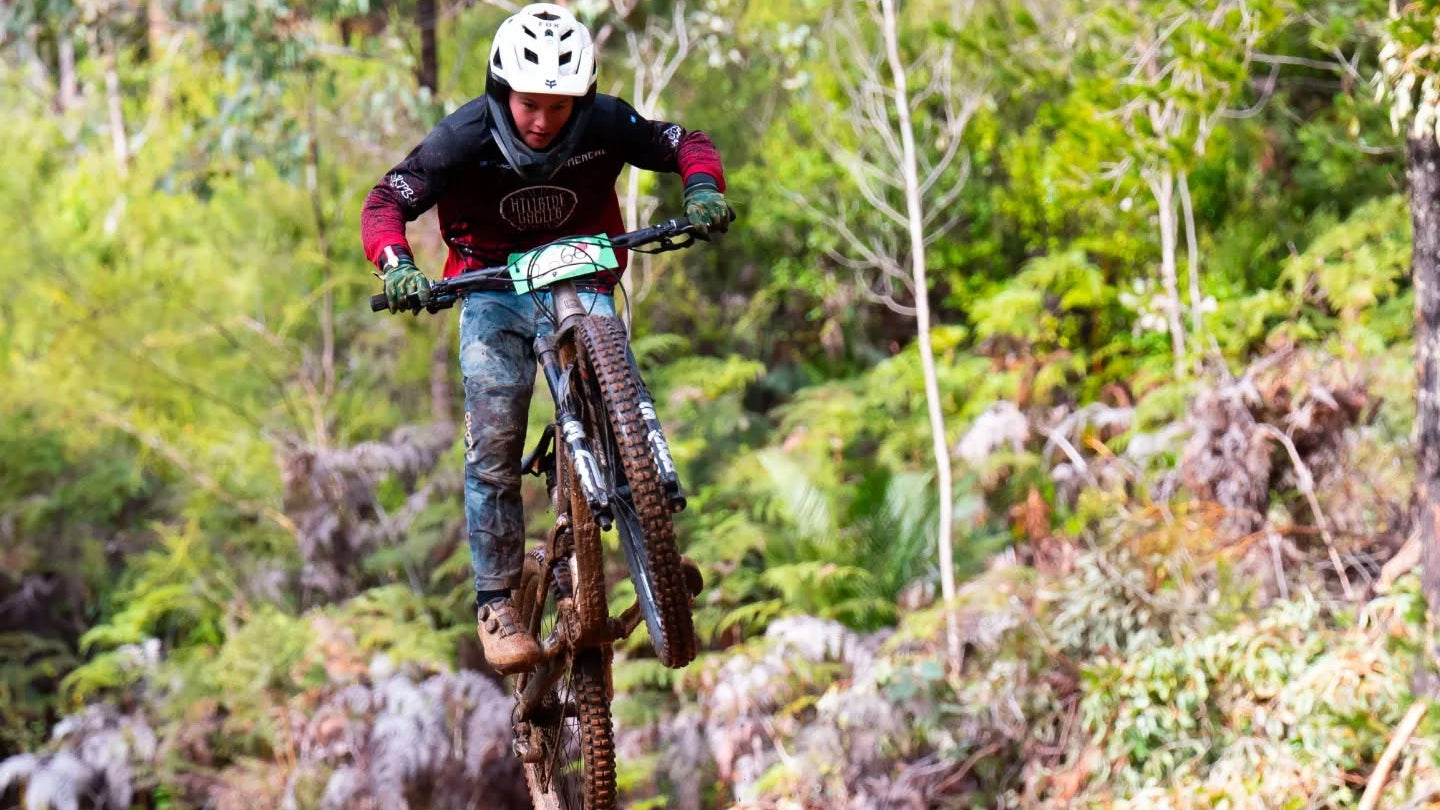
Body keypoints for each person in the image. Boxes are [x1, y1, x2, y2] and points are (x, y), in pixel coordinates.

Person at [359, 3, 729, 674]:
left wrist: (702, 189)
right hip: (491, 285)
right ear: (502, 92)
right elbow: (387, 201)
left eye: (559, 106)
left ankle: (652, 543)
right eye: (530, 103)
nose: (542, 120)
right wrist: (398, 266)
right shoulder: (462, 137)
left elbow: (684, 143)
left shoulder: (607, 122)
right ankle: (497, 602)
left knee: (622, 390)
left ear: (581, 99)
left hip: (582, 266)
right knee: (494, 436)